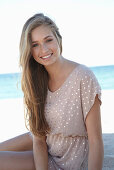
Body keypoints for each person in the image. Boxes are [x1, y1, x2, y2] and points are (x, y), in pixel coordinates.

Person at [0, 13, 104, 170]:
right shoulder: (34, 81)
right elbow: (39, 139)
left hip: (70, 157)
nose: (44, 49)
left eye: (48, 40)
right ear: (29, 50)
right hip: (46, 144)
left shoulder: (84, 76)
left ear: (58, 39)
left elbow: (96, 140)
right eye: (35, 44)